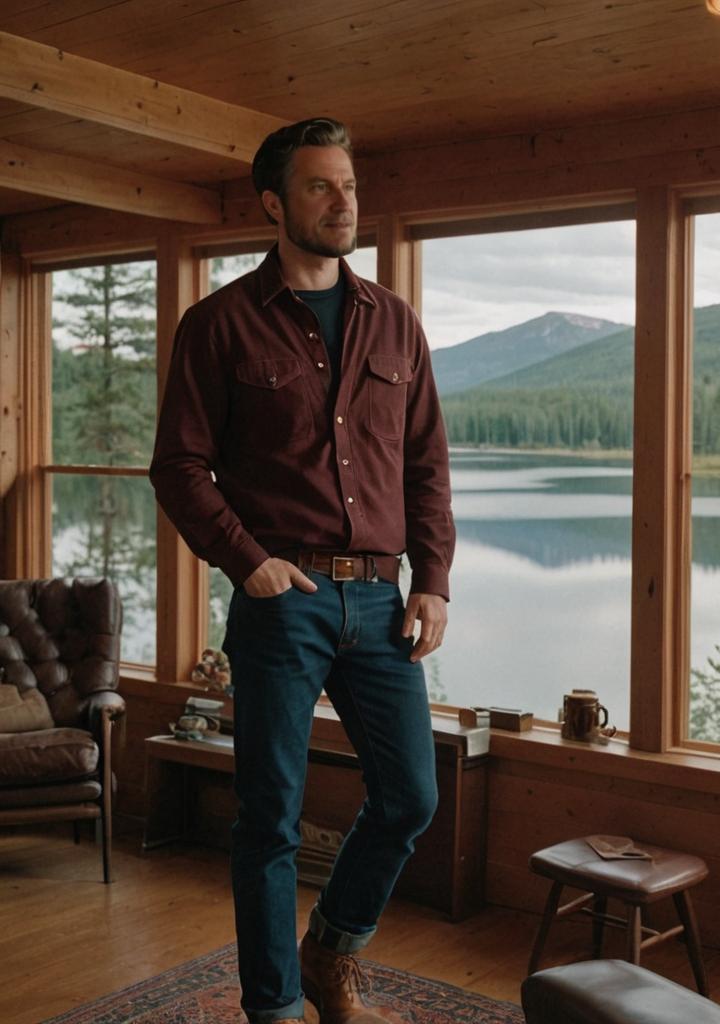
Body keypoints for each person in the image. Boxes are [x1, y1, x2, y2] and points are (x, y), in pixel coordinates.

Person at [150, 117, 454, 1024]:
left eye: (350, 185)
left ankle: (330, 953)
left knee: (410, 798)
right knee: (269, 821)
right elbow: (179, 467)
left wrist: (432, 580)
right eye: (321, 186)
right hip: (285, 601)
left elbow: (427, 465)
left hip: (383, 599)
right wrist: (250, 565)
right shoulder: (220, 325)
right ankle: (273, 1008)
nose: (343, 200)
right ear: (275, 203)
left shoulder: (395, 324)